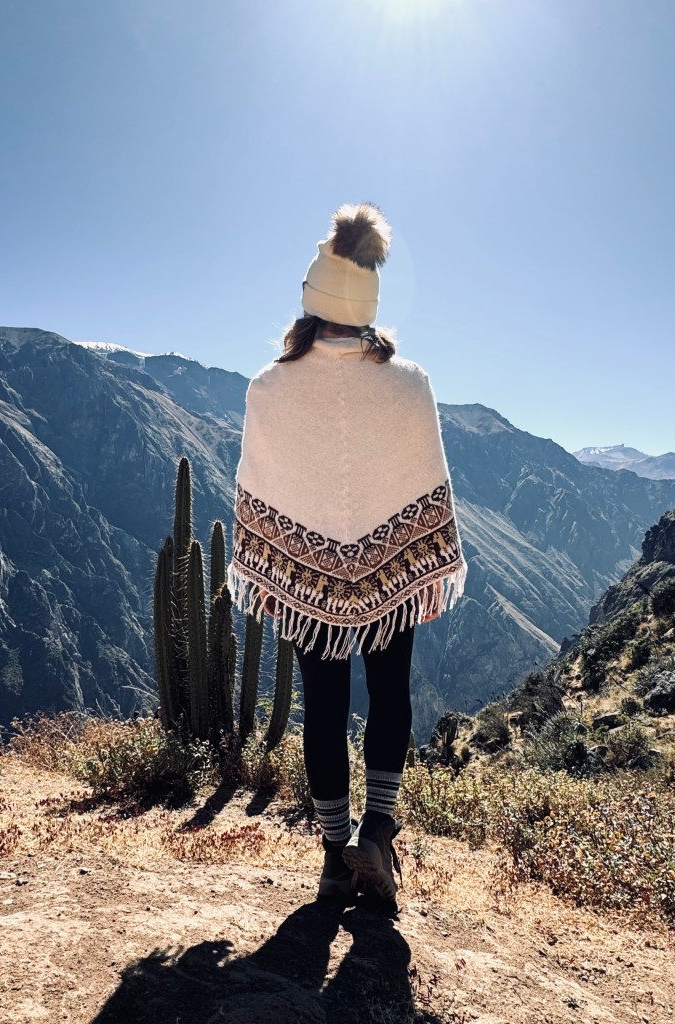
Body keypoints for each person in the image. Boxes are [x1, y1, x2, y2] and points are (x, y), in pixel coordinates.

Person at [227, 203, 467, 904]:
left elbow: (261, 487)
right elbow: (425, 480)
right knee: (391, 696)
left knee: (324, 709)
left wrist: (285, 565)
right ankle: (379, 835)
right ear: (369, 304)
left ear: (310, 301)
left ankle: (335, 857)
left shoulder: (269, 387)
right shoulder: (410, 383)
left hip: (307, 584)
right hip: (393, 571)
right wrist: (413, 560)